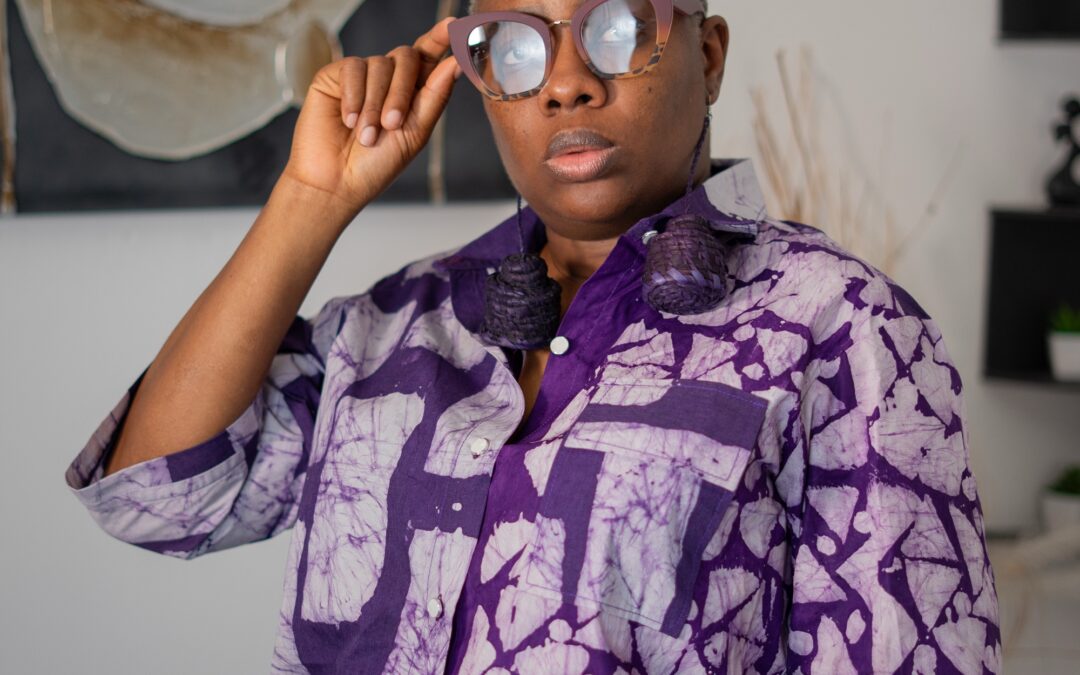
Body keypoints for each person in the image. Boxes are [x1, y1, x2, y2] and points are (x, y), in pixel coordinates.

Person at [64, 1, 1002, 672]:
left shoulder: (839, 324)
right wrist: (313, 198)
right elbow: (155, 498)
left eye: (617, 29)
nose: (565, 84)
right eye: (515, 47)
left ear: (709, 55)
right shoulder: (397, 323)